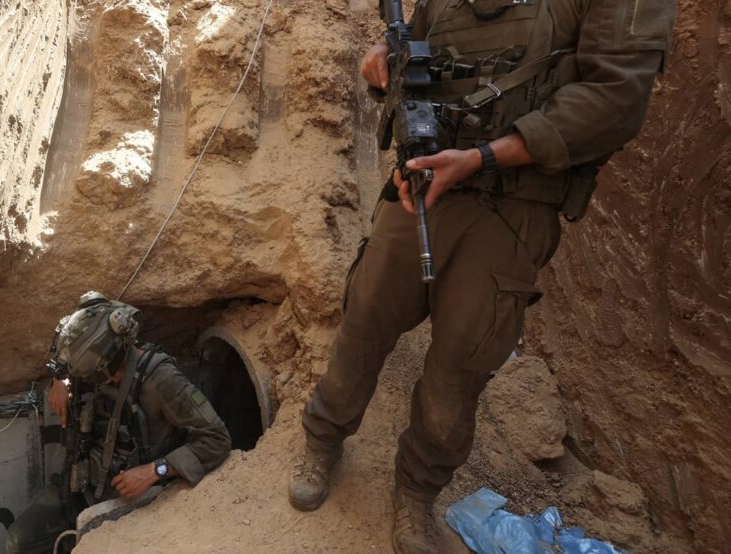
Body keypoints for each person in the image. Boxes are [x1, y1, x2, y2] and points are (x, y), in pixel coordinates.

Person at [288, 0, 675, 552]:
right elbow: (418, 48)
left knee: (461, 364)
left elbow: (615, 101)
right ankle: (322, 440)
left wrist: (484, 157)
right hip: (422, 186)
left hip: (512, 207)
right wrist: (385, 64)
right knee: (365, 317)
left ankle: (417, 492)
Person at [6, 292, 231, 553]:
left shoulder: (162, 379)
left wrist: (155, 470)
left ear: (110, 365)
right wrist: (61, 379)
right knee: (19, 540)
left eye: (91, 376)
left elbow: (217, 439)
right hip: (80, 484)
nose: (87, 380)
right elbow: (68, 341)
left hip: (129, 498)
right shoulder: (94, 348)